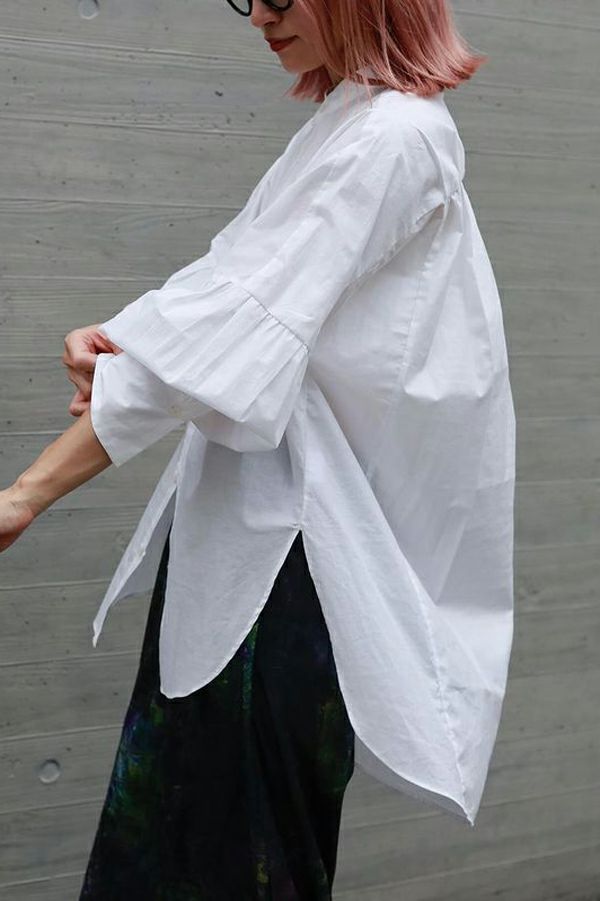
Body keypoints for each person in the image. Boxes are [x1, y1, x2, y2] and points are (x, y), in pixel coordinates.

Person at [0, 0, 516, 896]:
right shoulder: (352, 119)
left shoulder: (395, 138)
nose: (260, 17)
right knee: (189, 838)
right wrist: (127, 345)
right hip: (258, 537)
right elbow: (230, 281)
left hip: (294, 556)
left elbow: (241, 332)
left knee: (229, 852)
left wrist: (25, 494)